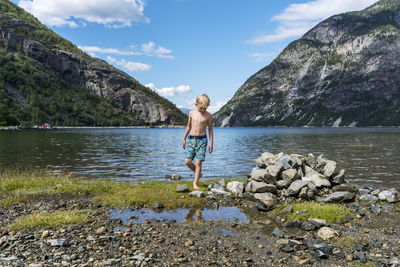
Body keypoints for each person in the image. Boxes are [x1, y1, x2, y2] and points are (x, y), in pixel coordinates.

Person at [182, 94, 213, 190]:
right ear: (196, 104)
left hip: (202, 141)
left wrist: (211, 143)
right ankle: (198, 173)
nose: (203, 110)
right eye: (201, 108)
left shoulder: (208, 115)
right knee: (187, 161)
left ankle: (195, 183)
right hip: (191, 140)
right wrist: (184, 139)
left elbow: (210, 130)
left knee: (198, 162)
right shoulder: (191, 113)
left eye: (205, 108)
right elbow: (188, 126)